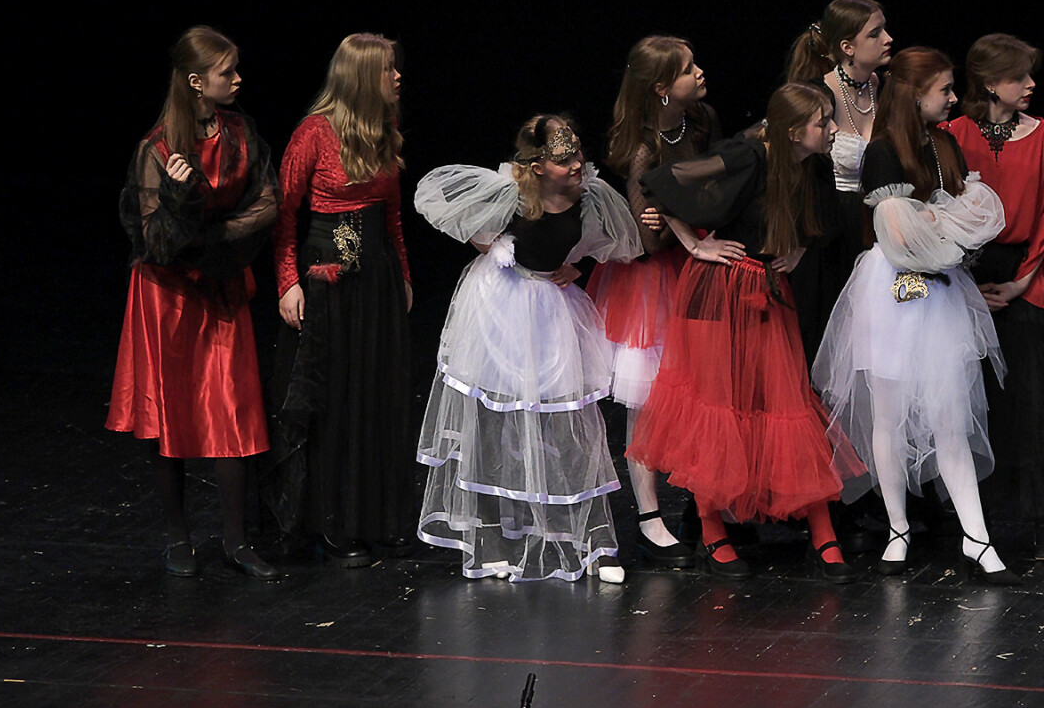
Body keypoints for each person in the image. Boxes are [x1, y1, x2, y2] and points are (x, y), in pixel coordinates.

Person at [629, 82, 864, 582]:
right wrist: (694, 244)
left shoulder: (812, 164)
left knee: (785, 401)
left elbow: (822, 218)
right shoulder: (747, 155)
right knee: (717, 405)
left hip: (767, 289)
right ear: (794, 130)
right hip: (720, 289)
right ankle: (712, 530)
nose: (832, 129)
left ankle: (823, 534)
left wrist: (797, 249)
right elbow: (662, 181)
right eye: (823, 121)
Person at [812, 46, 1020, 584]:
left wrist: (947, 230)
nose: (952, 98)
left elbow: (971, 215)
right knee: (889, 413)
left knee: (950, 415)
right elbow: (902, 238)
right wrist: (942, 228)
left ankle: (977, 537)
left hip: (941, 292)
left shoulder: (945, 144)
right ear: (913, 94)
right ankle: (898, 527)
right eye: (944, 89)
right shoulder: (883, 151)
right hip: (893, 292)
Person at [413, 115, 643, 582]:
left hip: (550, 310)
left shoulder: (590, 195)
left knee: (567, 421)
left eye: (577, 155)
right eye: (564, 160)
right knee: (495, 421)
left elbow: (613, 241)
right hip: (501, 308)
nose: (577, 165)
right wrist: (491, 246)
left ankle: (591, 543)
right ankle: (492, 542)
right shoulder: (510, 195)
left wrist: (578, 266)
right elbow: (441, 198)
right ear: (537, 167)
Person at [107, 25, 280, 580]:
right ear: (196, 81)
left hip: (220, 280)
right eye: (227, 71)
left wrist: (216, 240)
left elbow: (267, 201)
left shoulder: (239, 134)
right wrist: (181, 200)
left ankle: (235, 539)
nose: (237, 79)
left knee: (233, 405)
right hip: (168, 295)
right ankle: (178, 536)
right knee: (171, 411)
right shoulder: (157, 148)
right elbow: (153, 241)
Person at [262, 33, 416, 567]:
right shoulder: (314, 133)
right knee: (332, 400)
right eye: (388, 69)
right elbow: (284, 217)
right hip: (328, 278)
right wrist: (287, 282)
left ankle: (368, 517)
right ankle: (329, 523)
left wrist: (403, 275)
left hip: (375, 276)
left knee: (371, 395)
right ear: (363, 76)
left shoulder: (384, 129)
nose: (397, 77)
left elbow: (392, 215)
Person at [948, 34, 1044, 561]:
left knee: (1032, 399)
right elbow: (937, 209)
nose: (1031, 85)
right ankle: (972, 523)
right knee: (968, 398)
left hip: (1023, 274)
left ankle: (1042, 524)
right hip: (962, 272)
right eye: (1019, 76)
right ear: (990, 83)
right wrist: (964, 284)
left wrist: (1020, 282)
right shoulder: (952, 134)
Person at [584, 36, 720, 569]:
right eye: (688, 68)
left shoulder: (701, 121)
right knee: (646, 399)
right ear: (662, 87)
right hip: (652, 280)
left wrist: (679, 209)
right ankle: (648, 517)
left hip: (699, 267)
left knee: (703, 394)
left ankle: (703, 507)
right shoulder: (643, 148)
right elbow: (650, 241)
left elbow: (718, 187)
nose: (700, 72)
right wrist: (670, 219)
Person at [781, 0, 894, 362]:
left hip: (878, 230)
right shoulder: (816, 94)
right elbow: (793, 172)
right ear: (847, 47)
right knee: (825, 342)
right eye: (875, 33)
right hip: (828, 233)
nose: (888, 39)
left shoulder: (886, 88)